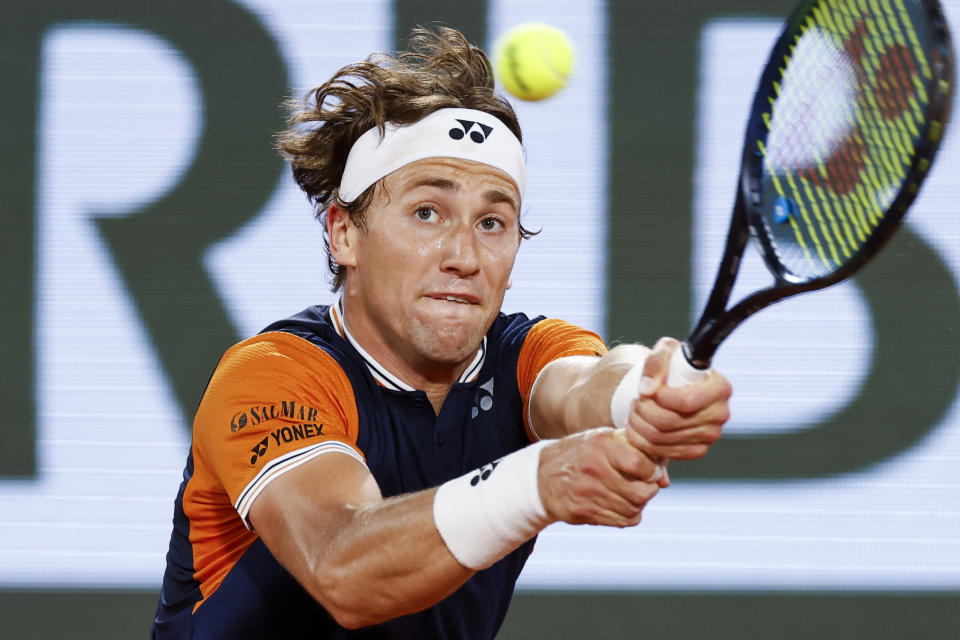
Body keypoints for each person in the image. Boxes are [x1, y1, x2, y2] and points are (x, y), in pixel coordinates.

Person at [151, 26, 732, 639]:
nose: (464, 254)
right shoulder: (273, 373)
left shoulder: (525, 355)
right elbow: (341, 566)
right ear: (344, 233)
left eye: (492, 221)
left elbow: (586, 384)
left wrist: (645, 390)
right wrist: (539, 481)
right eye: (427, 212)